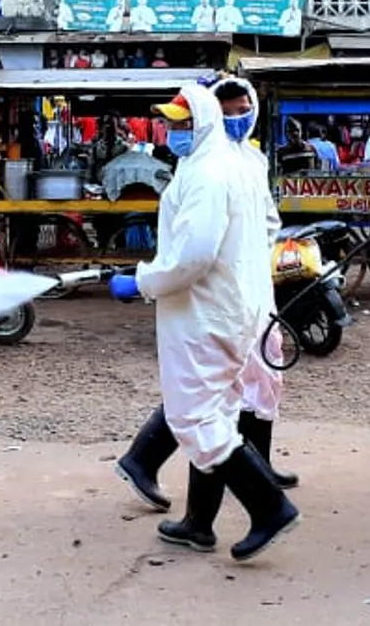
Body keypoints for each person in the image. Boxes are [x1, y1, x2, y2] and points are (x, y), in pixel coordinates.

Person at [107, 82, 299, 562]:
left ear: (204, 123)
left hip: (204, 312)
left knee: (195, 416)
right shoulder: (218, 167)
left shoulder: (208, 174)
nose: (173, 131)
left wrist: (144, 281)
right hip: (228, 307)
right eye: (170, 122)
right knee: (220, 413)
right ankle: (199, 524)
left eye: (182, 122)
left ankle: (268, 507)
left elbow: (192, 256)